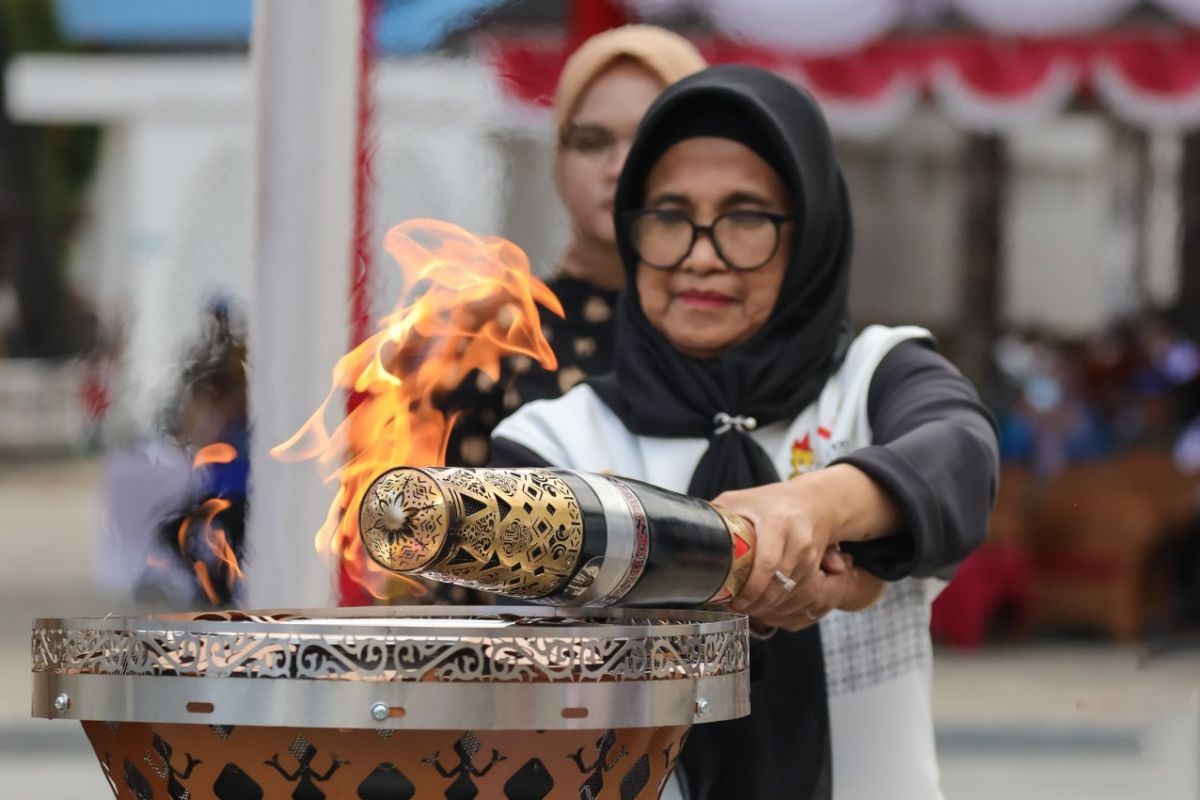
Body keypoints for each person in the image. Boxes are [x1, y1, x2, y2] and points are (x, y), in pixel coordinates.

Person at [490, 65, 999, 799]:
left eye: (745, 217)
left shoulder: (871, 379)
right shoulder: (554, 442)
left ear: (811, 230)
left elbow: (960, 455)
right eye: (668, 214)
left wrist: (816, 508)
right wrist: (754, 570)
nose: (701, 253)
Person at [445, 24, 706, 467]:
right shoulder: (497, 334)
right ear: (558, 163)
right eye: (591, 142)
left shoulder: (742, 324)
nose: (619, 167)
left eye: (650, 140)